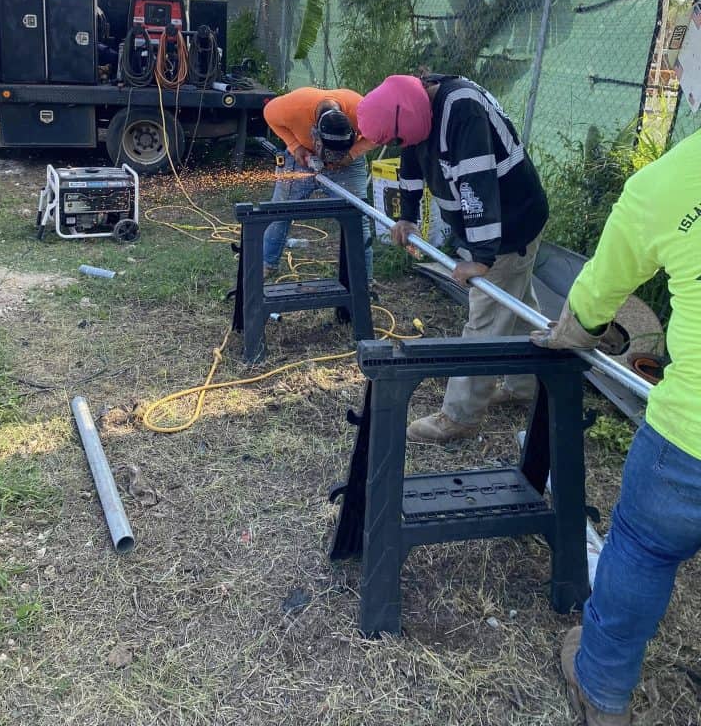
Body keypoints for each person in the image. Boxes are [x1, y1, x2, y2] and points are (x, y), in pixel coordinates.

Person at [530, 127, 701, 725]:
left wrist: (567, 332)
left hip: (690, 438)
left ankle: (601, 689)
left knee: (644, 549)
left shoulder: (671, 180)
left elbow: (593, 305)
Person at [357, 73, 549, 444]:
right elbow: (410, 158)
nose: (402, 145)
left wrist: (481, 258)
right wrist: (407, 214)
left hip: (510, 223)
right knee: (517, 305)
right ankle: (525, 384)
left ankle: (460, 415)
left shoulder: (463, 111)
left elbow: (478, 186)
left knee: (485, 316)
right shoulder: (418, 108)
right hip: (501, 223)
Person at [262, 87, 376, 280]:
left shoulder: (362, 109)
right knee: (279, 211)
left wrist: (351, 154)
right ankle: (267, 264)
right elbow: (268, 113)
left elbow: (379, 134)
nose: (332, 159)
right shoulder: (293, 106)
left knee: (357, 218)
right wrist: (295, 146)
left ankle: (363, 279)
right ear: (315, 134)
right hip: (303, 158)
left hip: (348, 165)